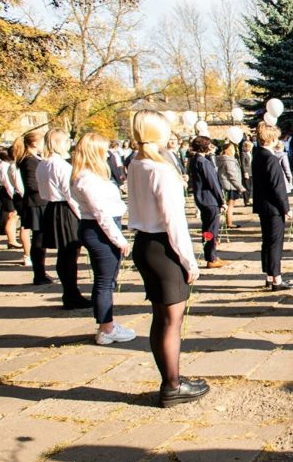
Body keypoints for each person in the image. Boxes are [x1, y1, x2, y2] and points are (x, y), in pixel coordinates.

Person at [127, 110, 208, 408]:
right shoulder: (159, 169)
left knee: (160, 318)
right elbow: (174, 221)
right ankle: (172, 385)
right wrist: (189, 261)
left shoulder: (136, 163)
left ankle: (170, 377)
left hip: (145, 243)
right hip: (164, 245)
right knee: (172, 320)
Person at [70, 133, 136, 346]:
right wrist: (119, 239)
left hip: (99, 225)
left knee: (106, 280)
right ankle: (106, 328)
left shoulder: (89, 175)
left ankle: (107, 324)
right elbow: (101, 214)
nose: (107, 154)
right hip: (99, 229)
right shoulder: (87, 179)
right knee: (105, 281)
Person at [37, 128, 90, 309]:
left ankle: (70, 292)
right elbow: (70, 195)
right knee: (69, 254)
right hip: (65, 209)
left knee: (65, 255)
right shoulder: (61, 165)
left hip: (52, 207)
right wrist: (81, 215)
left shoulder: (43, 164)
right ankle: (71, 294)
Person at [253, 122, 293, 291]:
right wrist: (286, 208)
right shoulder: (269, 158)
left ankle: (270, 275)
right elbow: (277, 187)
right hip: (273, 208)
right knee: (275, 243)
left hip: (263, 205)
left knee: (267, 241)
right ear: (271, 138)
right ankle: (276, 279)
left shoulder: (258, 154)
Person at [14, 132, 50, 281]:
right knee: (39, 239)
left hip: (37, 201)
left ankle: (40, 272)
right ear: (35, 143)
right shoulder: (29, 160)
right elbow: (31, 184)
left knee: (40, 238)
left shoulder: (32, 158)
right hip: (37, 202)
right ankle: (39, 273)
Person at [188, 136, 225, 270]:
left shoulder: (194, 160)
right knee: (211, 230)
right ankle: (211, 257)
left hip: (202, 199)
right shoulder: (203, 162)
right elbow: (213, 183)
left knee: (207, 229)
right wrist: (221, 200)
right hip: (210, 200)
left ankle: (210, 254)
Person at [0, 147, 21, 249]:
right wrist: (12, 195)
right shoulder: (5, 166)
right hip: (7, 192)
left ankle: (12, 239)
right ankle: (12, 240)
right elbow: (7, 183)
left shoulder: (3, 165)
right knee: (12, 216)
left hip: (4, 191)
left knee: (12, 216)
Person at [215, 142, 244, 229]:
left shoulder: (221, 159)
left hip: (225, 184)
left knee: (227, 205)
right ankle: (229, 223)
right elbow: (232, 175)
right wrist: (240, 187)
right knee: (230, 205)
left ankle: (228, 222)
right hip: (230, 185)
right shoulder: (228, 160)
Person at [240, 140, 253, 206]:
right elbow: (243, 164)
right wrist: (245, 172)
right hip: (247, 172)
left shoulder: (251, 153)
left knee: (250, 187)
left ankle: (248, 199)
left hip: (251, 172)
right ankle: (246, 201)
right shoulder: (243, 153)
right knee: (246, 187)